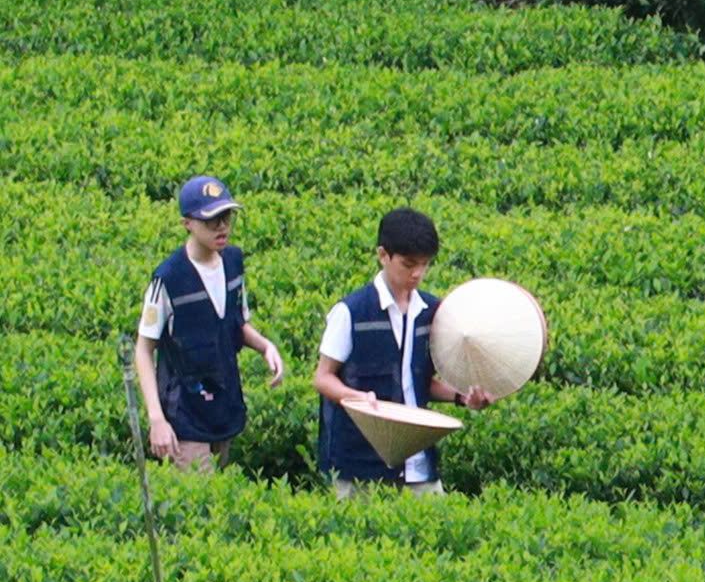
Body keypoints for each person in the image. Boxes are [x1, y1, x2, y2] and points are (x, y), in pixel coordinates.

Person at [313, 208, 491, 497]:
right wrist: (358, 398)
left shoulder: (433, 312)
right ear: (383, 255)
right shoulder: (351, 312)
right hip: (358, 462)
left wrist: (462, 397)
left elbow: (418, 380)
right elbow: (323, 378)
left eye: (424, 264)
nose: (417, 273)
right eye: (408, 264)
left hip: (418, 462)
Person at [133, 175, 285, 471]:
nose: (222, 226)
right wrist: (157, 419)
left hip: (224, 407)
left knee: (222, 491)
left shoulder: (233, 262)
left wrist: (265, 346)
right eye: (211, 220)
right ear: (187, 224)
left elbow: (235, 323)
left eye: (226, 217)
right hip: (184, 415)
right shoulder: (168, 278)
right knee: (198, 494)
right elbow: (143, 349)